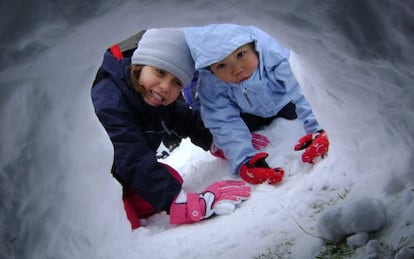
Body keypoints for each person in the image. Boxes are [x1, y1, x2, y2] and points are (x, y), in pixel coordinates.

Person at [91, 28, 251, 230]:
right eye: (160, 72)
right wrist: (178, 202)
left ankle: (127, 197)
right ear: (138, 65)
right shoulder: (110, 100)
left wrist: (223, 141)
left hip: (123, 177)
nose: (165, 86)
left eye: (176, 82)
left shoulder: (153, 95)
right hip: (94, 185)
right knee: (120, 223)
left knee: (170, 180)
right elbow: (130, 155)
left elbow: (187, 120)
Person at [184, 24, 329, 185]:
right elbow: (222, 120)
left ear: (253, 45)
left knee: (295, 108)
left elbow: (302, 88)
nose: (237, 69)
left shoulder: (273, 52)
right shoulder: (210, 82)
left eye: (240, 54)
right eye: (222, 65)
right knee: (233, 127)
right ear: (209, 69)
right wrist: (244, 160)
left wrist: (319, 127)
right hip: (249, 113)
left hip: (286, 100)